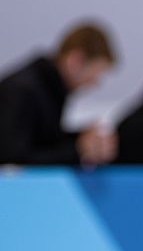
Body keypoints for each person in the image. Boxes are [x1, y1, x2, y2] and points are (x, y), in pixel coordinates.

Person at [0, 23, 118, 168]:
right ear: (76, 61)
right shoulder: (23, 91)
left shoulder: (49, 87)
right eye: (93, 75)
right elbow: (13, 160)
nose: (93, 84)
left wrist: (80, 140)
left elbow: (44, 141)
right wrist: (77, 150)